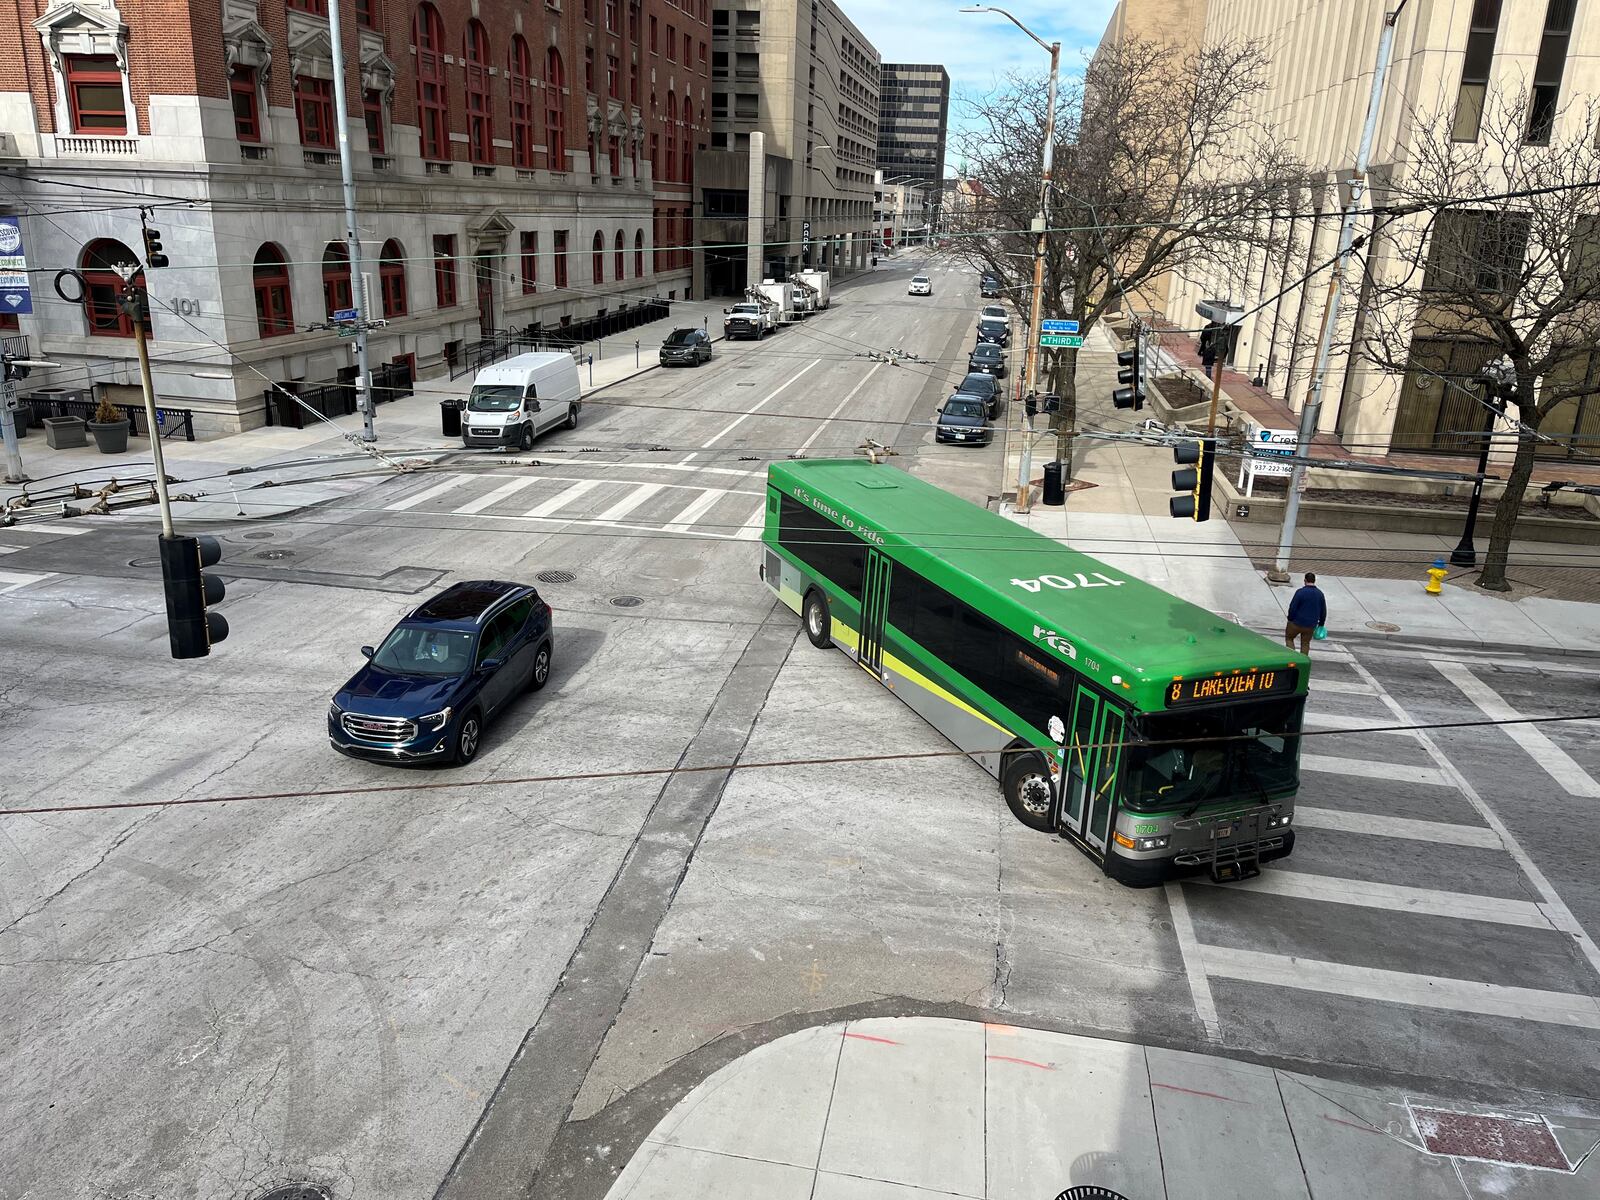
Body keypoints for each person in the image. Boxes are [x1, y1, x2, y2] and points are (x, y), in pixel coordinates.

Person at [1285, 572, 1327, 654]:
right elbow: (1323, 611)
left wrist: (1290, 618)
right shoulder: (1320, 594)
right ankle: (1303, 660)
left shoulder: (1300, 592)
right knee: (1305, 643)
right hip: (1310, 625)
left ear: (1305, 580)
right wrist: (1321, 623)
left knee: (1289, 638)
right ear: (1314, 581)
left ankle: (1293, 657)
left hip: (1296, 623)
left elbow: (1293, 607)